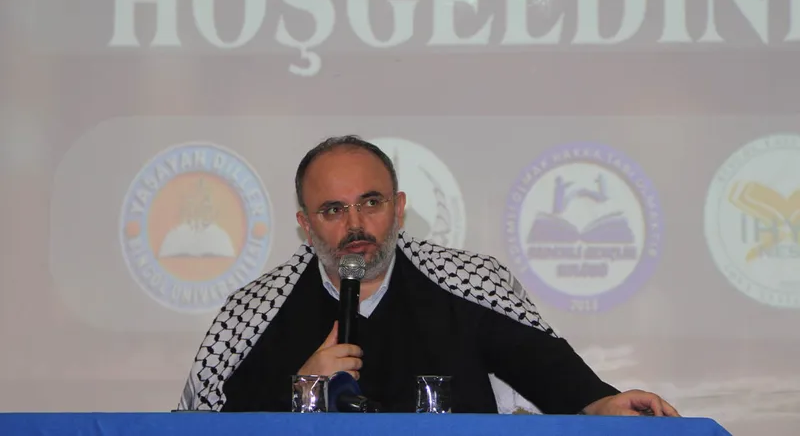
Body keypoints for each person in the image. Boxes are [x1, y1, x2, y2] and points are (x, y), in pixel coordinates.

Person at [177, 135, 679, 416]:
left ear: (398, 209)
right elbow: (199, 426)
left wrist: (603, 404)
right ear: (306, 226)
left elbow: (548, 371)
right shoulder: (252, 311)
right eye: (333, 210)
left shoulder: (469, 281)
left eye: (370, 203)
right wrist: (301, 388)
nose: (355, 224)